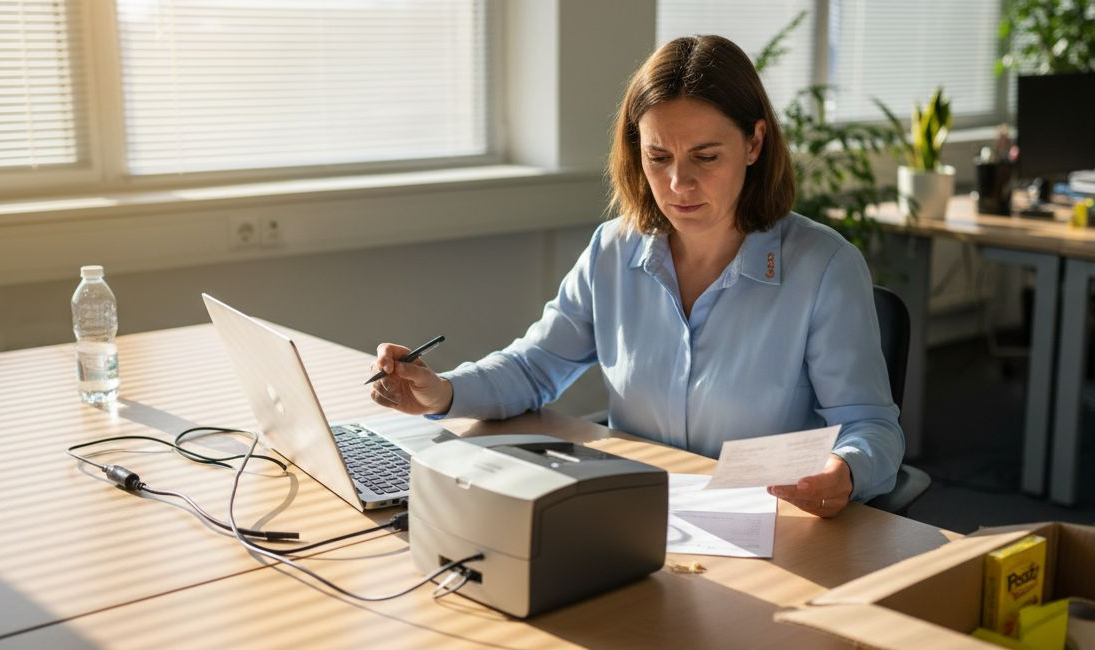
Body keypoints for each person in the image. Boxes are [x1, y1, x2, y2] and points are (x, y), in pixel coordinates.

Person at [369, 35, 903, 518]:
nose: (678, 183)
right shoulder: (614, 249)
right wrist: (442, 392)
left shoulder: (824, 267)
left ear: (754, 143)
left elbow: (870, 426)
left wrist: (846, 470)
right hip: (639, 513)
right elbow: (534, 368)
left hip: (769, 521)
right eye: (658, 156)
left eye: (705, 156)